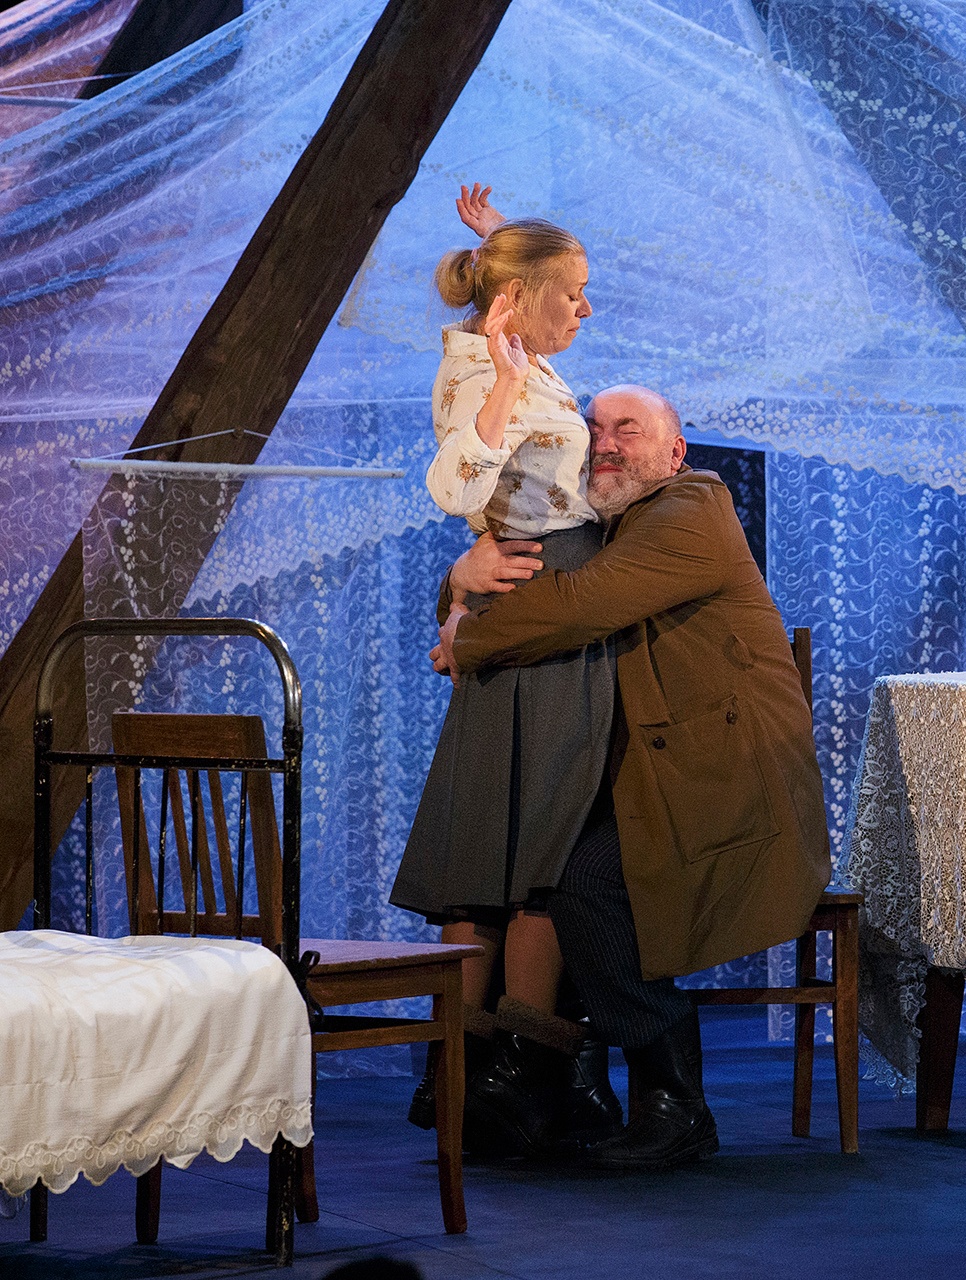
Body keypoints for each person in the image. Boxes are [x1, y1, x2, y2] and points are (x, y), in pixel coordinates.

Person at [434, 384, 832, 1169]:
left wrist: (468, 640)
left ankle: (674, 1102)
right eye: (594, 430)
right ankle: (554, 1085)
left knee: (581, 881)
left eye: (629, 430)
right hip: (656, 786)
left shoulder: (691, 508)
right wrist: (460, 579)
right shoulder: (602, 523)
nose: (606, 443)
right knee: (539, 861)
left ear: (675, 453)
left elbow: (580, 605)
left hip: (730, 787)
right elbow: (523, 580)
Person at [390, 197, 621, 1155]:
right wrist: (464, 567)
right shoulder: (487, 368)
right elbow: (454, 486)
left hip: (536, 598)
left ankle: (471, 1076)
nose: (587, 308)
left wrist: (494, 237)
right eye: (574, 292)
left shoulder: (511, 354)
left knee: (508, 844)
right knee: (531, 851)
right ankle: (502, 1078)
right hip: (542, 605)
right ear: (520, 299)